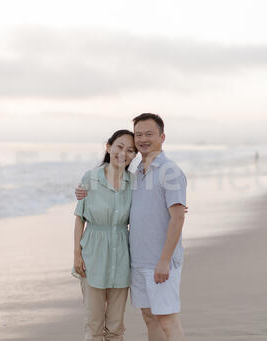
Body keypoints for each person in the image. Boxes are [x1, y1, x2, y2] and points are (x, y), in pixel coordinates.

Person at [77, 113, 188, 341]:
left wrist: (165, 259)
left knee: (166, 318)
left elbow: (177, 218)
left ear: (162, 137)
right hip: (137, 261)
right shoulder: (139, 174)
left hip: (159, 262)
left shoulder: (170, 171)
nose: (143, 139)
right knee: (149, 317)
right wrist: (81, 193)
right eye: (139, 134)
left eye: (149, 134)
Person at [72, 129, 137, 341]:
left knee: (116, 327)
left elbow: (147, 212)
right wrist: (77, 255)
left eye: (130, 150)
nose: (123, 154)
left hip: (122, 257)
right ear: (108, 147)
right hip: (93, 254)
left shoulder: (134, 183)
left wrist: (174, 207)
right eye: (119, 147)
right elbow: (80, 218)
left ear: (134, 156)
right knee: (93, 326)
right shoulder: (90, 178)